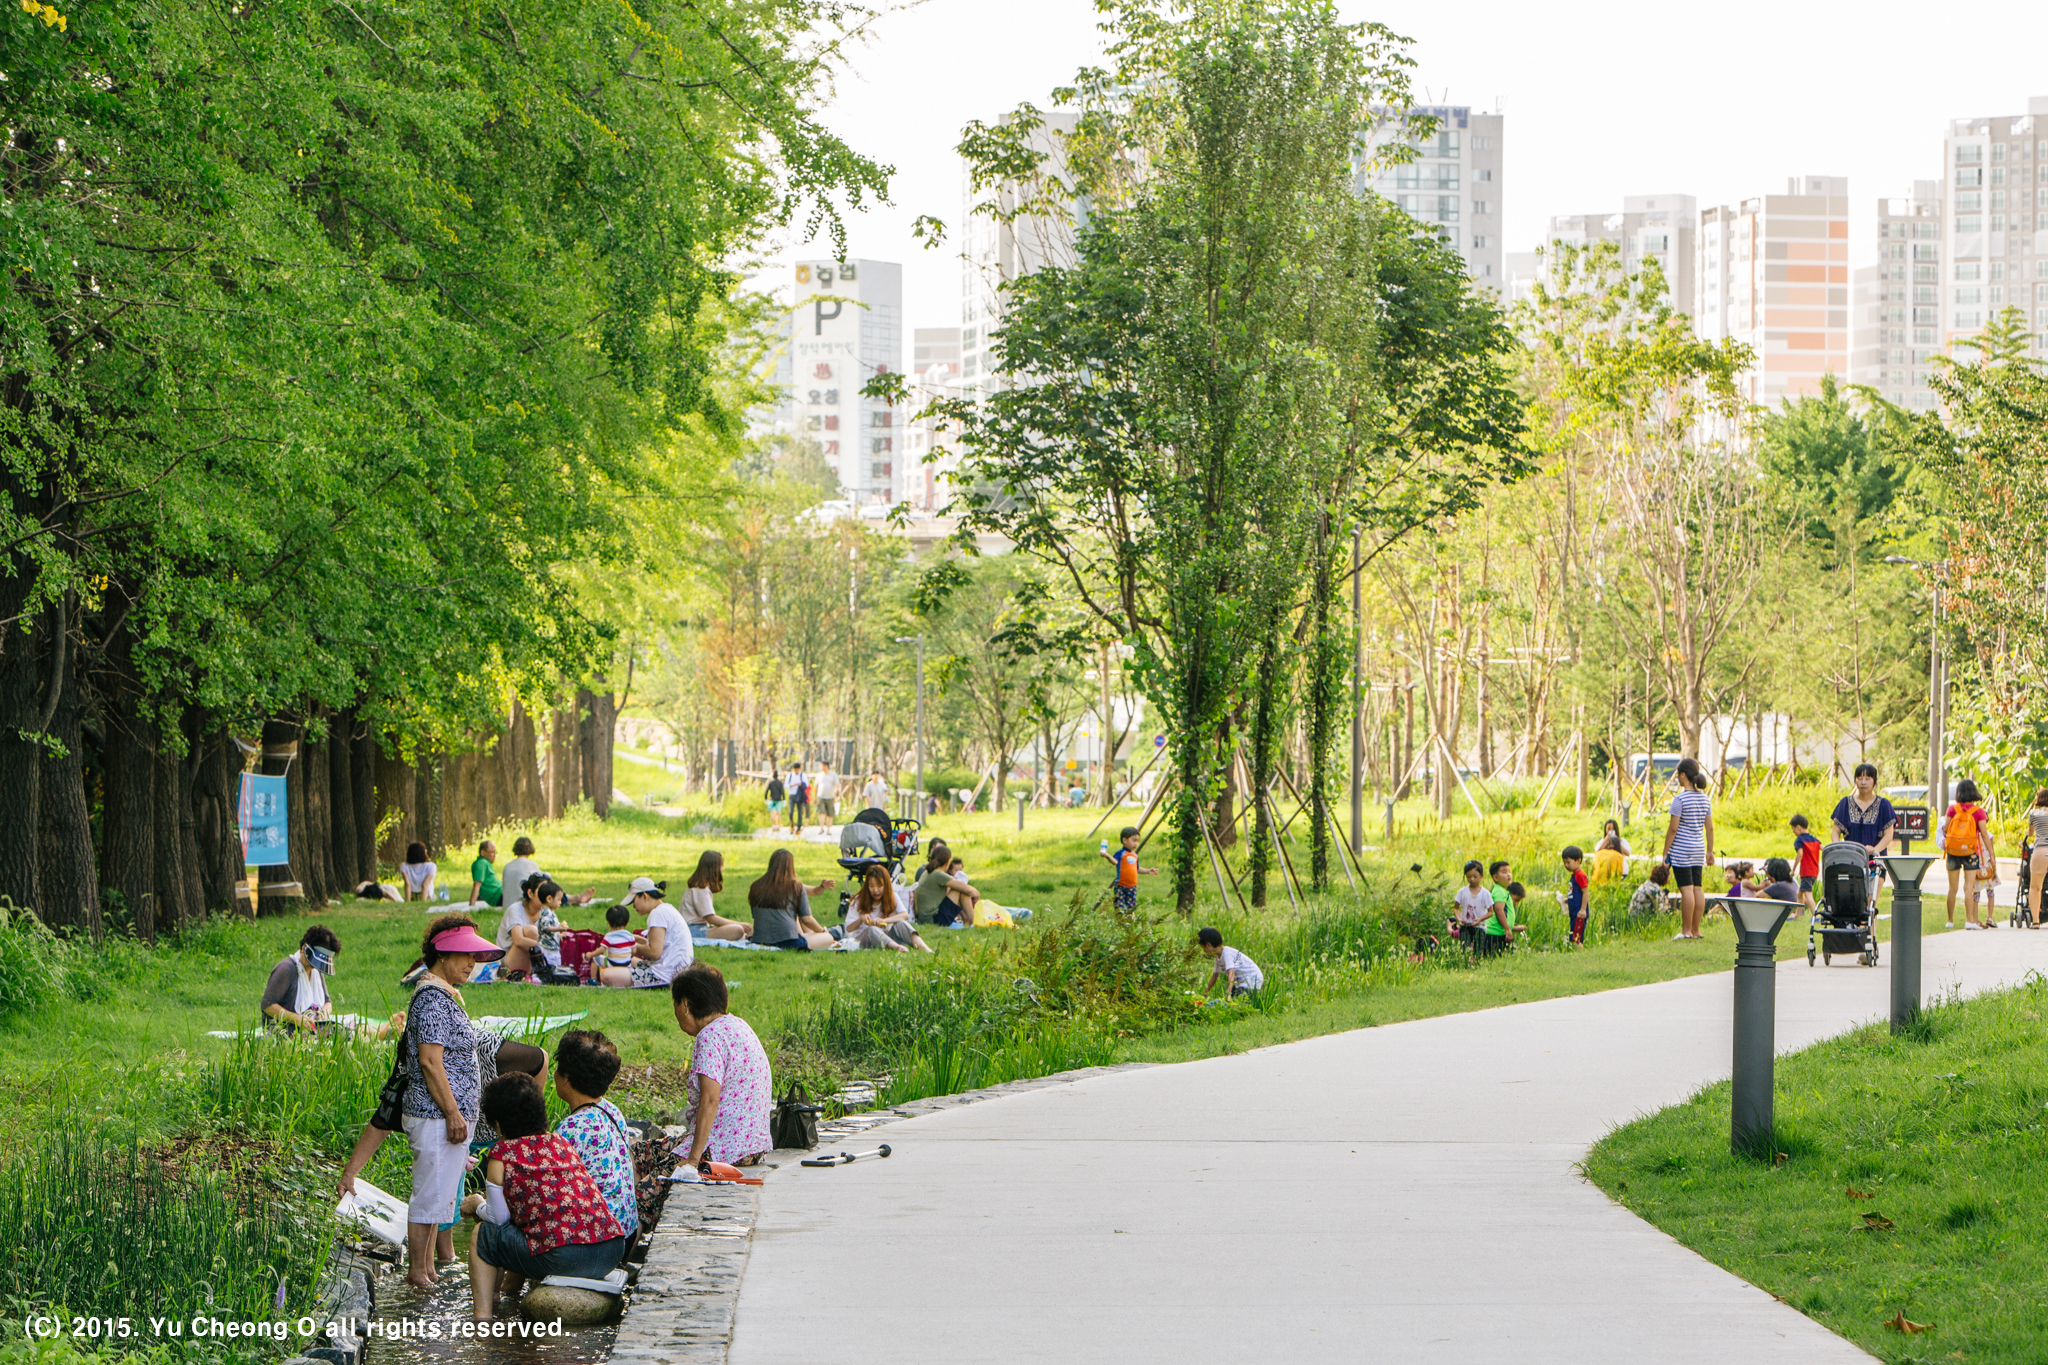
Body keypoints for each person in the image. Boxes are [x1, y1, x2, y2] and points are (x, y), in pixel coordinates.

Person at [338, 1031, 547, 1271]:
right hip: (455, 1134)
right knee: (443, 1204)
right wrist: (350, 1173)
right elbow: (384, 1117)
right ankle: (443, 1271)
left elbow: (540, 1058)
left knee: (506, 1212)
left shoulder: (481, 1048)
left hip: (502, 1130)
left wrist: (523, 1135)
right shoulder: (414, 1063)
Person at [462, 1072, 627, 1320]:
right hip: (611, 1251)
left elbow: (497, 1219)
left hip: (564, 1257)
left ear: (497, 1121)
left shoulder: (502, 1153)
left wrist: (477, 1205)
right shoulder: (560, 1142)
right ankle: (508, 1294)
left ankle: (483, 1318)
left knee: (483, 1235)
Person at [402, 915, 502, 1287]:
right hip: (434, 1115)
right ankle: (417, 1271)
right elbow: (430, 1061)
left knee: (442, 1196)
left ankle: (427, 1270)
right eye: (465, 956)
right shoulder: (430, 998)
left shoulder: (443, 995)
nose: (471, 964)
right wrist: (453, 1112)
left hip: (448, 1116)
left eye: (474, 957)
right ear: (442, 954)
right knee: (429, 1194)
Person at [672, 963, 772, 1167]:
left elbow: (710, 1099)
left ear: (685, 1005)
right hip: (752, 1147)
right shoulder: (739, 1025)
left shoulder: (708, 1037)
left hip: (722, 1150)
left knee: (649, 1176)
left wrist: (693, 1159)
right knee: (644, 1151)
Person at [550, 1030, 638, 1238]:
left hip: (600, 1240)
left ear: (566, 1079)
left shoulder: (570, 1129)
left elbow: (552, 1195)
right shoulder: (612, 1111)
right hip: (627, 1233)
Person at [602, 876, 695, 986]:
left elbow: (654, 952)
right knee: (630, 961)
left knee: (606, 975)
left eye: (634, 901)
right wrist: (636, 940)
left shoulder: (657, 914)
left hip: (663, 976)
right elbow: (660, 945)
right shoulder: (666, 909)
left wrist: (628, 945)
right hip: (676, 972)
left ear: (644, 896)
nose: (633, 906)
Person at [1661, 757, 1714, 941]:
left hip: (1682, 850)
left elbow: (1673, 828)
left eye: (1678, 775)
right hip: (1698, 848)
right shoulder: (1705, 799)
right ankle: (1696, 930)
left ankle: (1685, 931)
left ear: (1683, 775)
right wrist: (1710, 851)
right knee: (1697, 888)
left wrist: (1665, 851)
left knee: (1686, 889)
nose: (1677, 778)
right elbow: (1710, 828)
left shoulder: (1679, 799)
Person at [1830, 763, 1896, 911]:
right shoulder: (1845, 804)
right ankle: (1854, 933)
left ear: (1874, 781)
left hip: (1875, 862)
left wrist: (1874, 850)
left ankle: (1870, 934)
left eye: (1867, 778)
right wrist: (1838, 847)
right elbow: (1835, 831)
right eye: (1859, 778)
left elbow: (1888, 835)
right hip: (1850, 861)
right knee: (1852, 903)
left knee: (1870, 903)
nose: (1863, 782)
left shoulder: (1884, 805)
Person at [745, 850, 840, 951]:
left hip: (759, 940)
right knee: (828, 938)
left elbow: (756, 916)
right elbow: (807, 919)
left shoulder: (755, 886)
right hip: (787, 942)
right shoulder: (795, 886)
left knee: (806, 934)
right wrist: (823, 931)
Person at [261, 926, 342, 1032]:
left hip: (313, 1026)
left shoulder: (316, 969)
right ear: (304, 948)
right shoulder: (286, 969)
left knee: (349, 1032)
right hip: (286, 1029)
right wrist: (296, 1019)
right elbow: (267, 1005)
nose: (316, 966)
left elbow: (327, 1002)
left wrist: (323, 1014)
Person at [1939, 778, 1991, 929]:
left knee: (1952, 888)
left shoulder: (1952, 809)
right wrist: (1991, 855)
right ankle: (1969, 921)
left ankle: (1950, 920)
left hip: (1953, 851)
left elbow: (1947, 829)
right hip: (1970, 852)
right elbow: (1984, 834)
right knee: (1969, 887)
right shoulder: (1978, 811)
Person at [499, 874, 569, 983]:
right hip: (508, 965)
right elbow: (518, 941)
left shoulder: (546, 913)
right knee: (531, 931)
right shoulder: (516, 910)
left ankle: (541, 975)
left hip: (533, 962)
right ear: (530, 893)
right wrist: (544, 946)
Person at [845, 864, 931, 952]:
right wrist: (861, 919)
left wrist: (885, 921)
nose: (875, 890)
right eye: (871, 886)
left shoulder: (892, 896)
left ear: (886, 886)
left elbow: (905, 915)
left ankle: (924, 948)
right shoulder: (858, 900)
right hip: (862, 940)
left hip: (886, 935)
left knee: (901, 923)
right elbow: (848, 928)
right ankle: (897, 948)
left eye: (879, 886)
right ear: (867, 886)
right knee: (872, 929)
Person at [499, 835, 596, 907]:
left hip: (507, 904)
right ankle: (575, 899)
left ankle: (574, 898)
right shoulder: (532, 865)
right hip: (525, 902)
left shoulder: (507, 866)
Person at [681, 851, 751, 942]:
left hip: (697, 929)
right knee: (738, 930)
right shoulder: (700, 889)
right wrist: (740, 924)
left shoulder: (698, 886)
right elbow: (711, 918)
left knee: (738, 933)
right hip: (694, 931)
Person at [916, 840, 984, 926]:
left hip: (925, 918)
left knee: (958, 888)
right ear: (948, 862)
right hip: (934, 920)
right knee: (960, 889)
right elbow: (967, 890)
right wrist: (976, 894)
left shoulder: (927, 872)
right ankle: (974, 922)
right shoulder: (938, 874)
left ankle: (968, 921)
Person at [1098, 826, 1157, 913]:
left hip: (1132, 887)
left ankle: (1128, 923)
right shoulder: (1121, 853)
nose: (1136, 844)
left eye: (1137, 841)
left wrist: (1148, 871)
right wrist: (1107, 856)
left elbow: (1137, 869)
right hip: (1121, 886)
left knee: (1131, 909)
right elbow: (1115, 862)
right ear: (1125, 840)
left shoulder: (1135, 856)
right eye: (1134, 840)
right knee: (1120, 908)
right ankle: (1120, 922)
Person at [1197, 926, 1264, 996]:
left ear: (1208, 944)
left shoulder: (1227, 953)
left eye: (1203, 947)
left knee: (1238, 1000)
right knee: (1233, 999)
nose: (1204, 950)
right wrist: (1205, 993)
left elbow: (1231, 974)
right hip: (1241, 981)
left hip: (1251, 978)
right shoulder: (1217, 956)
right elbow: (1214, 977)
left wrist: (1228, 993)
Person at [1451, 860, 1494, 952]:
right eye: (1469, 877)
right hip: (1465, 925)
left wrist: (1480, 919)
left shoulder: (1485, 893)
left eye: (1475, 876)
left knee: (1479, 950)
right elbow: (1455, 908)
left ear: (1481, 875)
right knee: (1464, 949)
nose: (1472, 879)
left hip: (1479, 926)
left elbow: (1491, 912)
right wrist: (1459, 919)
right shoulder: (1462, 892)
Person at [1790, 815, 1822, 919]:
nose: (1793, 831)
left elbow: (1800, 855)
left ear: (1798, 827)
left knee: (1808, 894)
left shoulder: (1799, 841)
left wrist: (1793, 869)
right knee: (1800, 893)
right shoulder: (1815, 840)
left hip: (1806, 871)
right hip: (1814, 871)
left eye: (1793, 829)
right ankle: (1797, 916)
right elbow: (1824, 848)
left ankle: (1815, 917)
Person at [1482, 860, 1517, 953]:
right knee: (1493, 960)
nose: (1508, 875)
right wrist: (1507, 929)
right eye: (1504, 872)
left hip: (1497, 932)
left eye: (1509, 872)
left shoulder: (1502, 891)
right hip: (1494, 933)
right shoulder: (1499, 891)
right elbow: (1498, 910)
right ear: (1496, 877)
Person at [2026, 788, 2048, 930]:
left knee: (2035, 887)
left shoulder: (2033, 813)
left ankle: (2035, 921)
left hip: (2040, 850)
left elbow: (2030, 833)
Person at [1559, 846, 1590, 944]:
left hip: (1579, 912)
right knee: (1573, 935)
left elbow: (1585, 892)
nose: (1566, 865)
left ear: (1578, 861)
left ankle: (1579, 954)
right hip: (1574, 912)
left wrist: (1583, 909)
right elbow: (1576, 893)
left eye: (1568, 862)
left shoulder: (1580, 875)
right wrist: (1567, 900)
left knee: (1576, 938)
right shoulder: (1574, 876)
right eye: (1564, 862)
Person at [602, 905, 640, 971]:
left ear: (608, 922)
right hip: (627, 964)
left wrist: (591, 954)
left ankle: (593, 979)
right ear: (627, 923)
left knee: (595, 959)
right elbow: (634, 951)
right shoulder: (630, 935)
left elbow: (602, 950)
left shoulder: (608, 936)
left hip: (612, 964)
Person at [468, 839, 503, 909]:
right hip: (499, 895)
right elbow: (477, 885)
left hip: (502, 891)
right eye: (492, 852)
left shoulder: (484, 863)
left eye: (495, 852)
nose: (494, 855)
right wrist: (471, 906)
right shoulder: (481, 863)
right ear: (483, 853)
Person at [814, 760, 840, 833]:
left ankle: (828, 829)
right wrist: (815, 797)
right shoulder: (819, 775)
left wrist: (835, 794)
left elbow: (836, 785)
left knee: (830, 814)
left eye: (821, 765)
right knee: (821, 813)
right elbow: (816, 786)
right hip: (821, 796)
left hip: (830, 797)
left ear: (826, 766)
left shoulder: (833, 775)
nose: (820, 767)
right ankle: (821, 828)